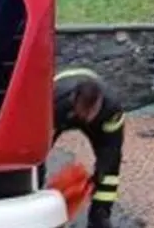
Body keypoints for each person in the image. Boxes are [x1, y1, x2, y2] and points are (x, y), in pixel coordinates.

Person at [51, 67, 126, 228]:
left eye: (91, 111)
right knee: (35, 160)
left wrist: (99, 173)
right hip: (59, 110)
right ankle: (41, 209)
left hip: (100, 123)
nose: (86, 116)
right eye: (83, 111)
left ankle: (100, 215)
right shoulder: (54, 102)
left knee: (110, 170)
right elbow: (38, 146)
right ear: (74, 100)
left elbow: (111, 151)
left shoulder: (112, 109)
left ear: (99, 102)